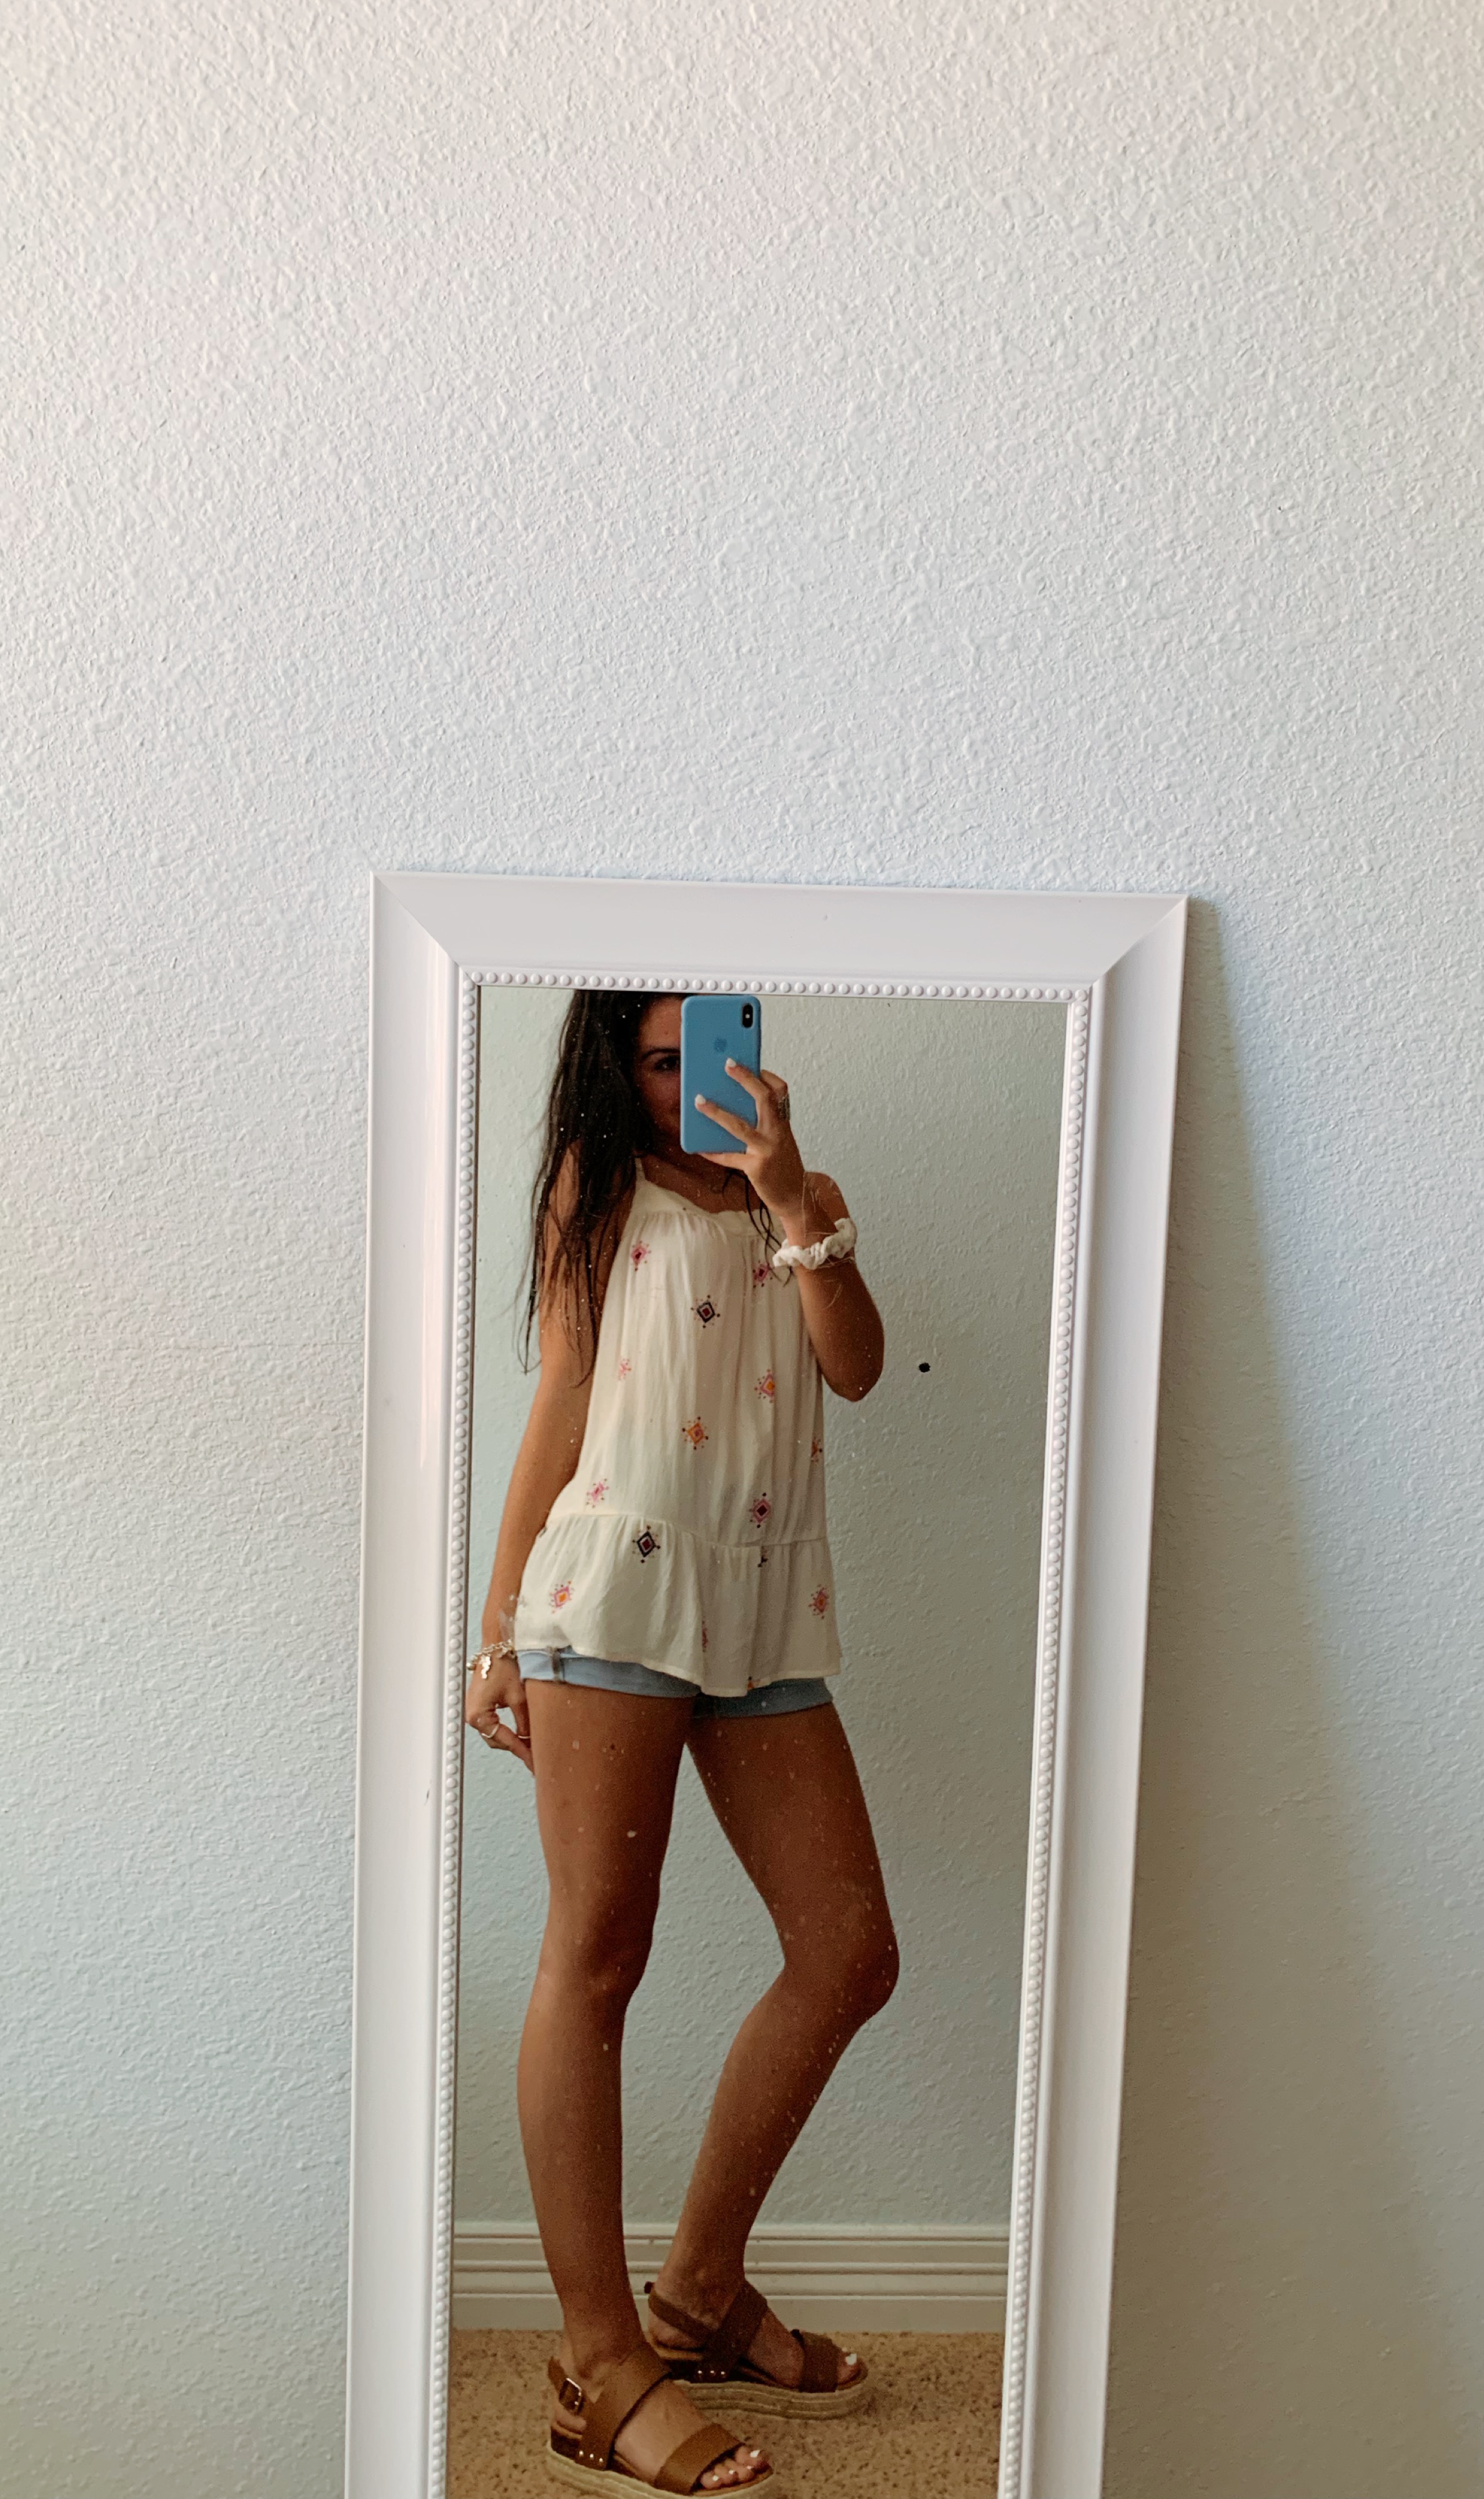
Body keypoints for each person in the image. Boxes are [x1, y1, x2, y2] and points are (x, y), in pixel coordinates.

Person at [466, 992, 900, 2495]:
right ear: (620, 1069)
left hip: (767, 1606)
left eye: (707, 1052)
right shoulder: (600, 1192)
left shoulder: (804, 1194)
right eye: (661, 1062)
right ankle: (601, 2370)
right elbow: (564, 1398)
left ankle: (701, 2291)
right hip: (616, 1589)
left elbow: (856, 1366)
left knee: (849, 1952)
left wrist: (789, 1199)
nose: (688, 1084)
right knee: (599, 1950)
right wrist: (497, 1625)